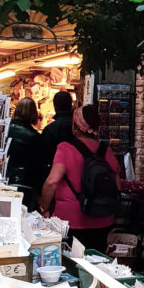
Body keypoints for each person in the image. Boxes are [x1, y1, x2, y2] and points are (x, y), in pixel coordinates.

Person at [40, 105, 120, 253]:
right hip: (102, 219)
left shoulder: (65, 148)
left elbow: (52, 182)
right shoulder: (106, 150)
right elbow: (117, 186)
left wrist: (44, 209)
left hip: (70, 221)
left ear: (76, 125)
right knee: (96, 265)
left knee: (70, 265)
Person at [5, 97, 42, 210]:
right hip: (26, 182)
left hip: (5, 179)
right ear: (33, 114)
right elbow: (37, 164)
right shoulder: (35, 136)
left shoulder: (5, 130)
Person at [40, 90, 74, 178]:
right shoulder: (78, 128)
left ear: (55, 106)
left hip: (54, 174)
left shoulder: (50, 129)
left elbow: (43, 157)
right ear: (71, 105)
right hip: (76, 174)